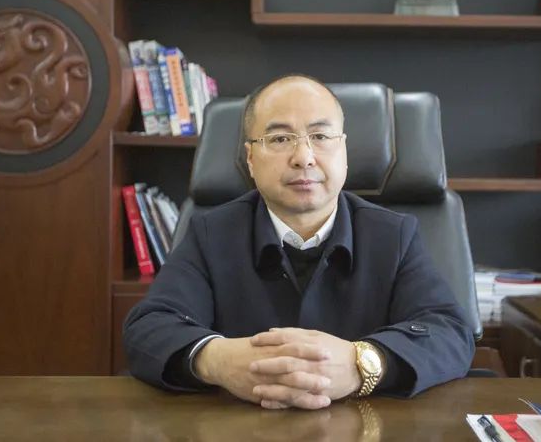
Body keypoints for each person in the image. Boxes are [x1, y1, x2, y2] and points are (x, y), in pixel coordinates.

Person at [124, 75, 474, 410]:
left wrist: (362, 363)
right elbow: (149, 328)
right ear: (250, 158)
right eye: (279, 139)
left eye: (320, 136)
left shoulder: (393, 235)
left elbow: (449, 332)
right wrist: (217, 360)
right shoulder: (210, 234)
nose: (304, 157)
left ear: (343, 150)